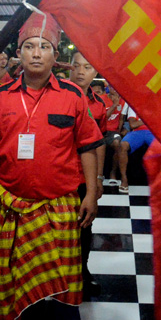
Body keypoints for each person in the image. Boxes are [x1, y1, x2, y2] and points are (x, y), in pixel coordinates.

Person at [0, 13, 102, 320]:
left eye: (44, 47)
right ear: (19, 53)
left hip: (60, 203)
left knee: (64, 281)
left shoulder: (73, 95)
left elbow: (89, 147)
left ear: (55, 55)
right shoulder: (1, 96)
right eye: (29, 46)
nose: (36, 53)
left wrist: (91, 192)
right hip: (13, 203)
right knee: (21, 272)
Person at [68, 51, 108, 297]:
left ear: (95, 73)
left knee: (84, 227)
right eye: (77, 66)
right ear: (69, 67)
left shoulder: (100, 105)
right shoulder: (57, 97)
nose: (81, 71)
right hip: (59, 176)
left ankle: (82, 271)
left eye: (88, 67)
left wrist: (99, 179)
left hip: (85, 177)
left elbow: (99, 144)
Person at [114, 104, 154, 194]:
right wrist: (150, 119)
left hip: (152, 131)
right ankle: (124, 179)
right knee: (123, 145)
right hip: (137, 132)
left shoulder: (155, 105)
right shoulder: (134, 105)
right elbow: (133, 124)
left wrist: (142, 121)